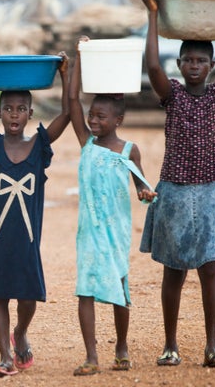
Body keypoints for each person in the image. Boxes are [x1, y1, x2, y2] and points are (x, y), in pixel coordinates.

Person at [136, 0, 215, 369]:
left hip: (209, 192)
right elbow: (152, 66)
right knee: (174, 271)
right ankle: (170, 345)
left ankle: (212, 346)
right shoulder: (170, 94)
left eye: (200, 60)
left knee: (211, 269)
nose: (193, 65)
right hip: (173, 191)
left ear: (211, 66)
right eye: (187, 59)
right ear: (179, 65)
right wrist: (153, 13)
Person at [0, 52, 70, 378]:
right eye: (8, 109)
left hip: (28, 236)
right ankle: (5, 357)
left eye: (21, 109)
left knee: (28, 294)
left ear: (31, 113)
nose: (14, 114)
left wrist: (65, 72)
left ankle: (19, 333)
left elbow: (66, 113)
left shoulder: (40, 145)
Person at [68, 37, 158, 376]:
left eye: (101, 117)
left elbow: (141, 185)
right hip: (89, 231)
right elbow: (72, 100)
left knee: (120, 286)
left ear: (118, 119)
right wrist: (78, 57)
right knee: (85, 291)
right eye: (92, 115)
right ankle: (92, 355)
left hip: (116, 231)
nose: (93, 120)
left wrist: (146, 193)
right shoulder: (86, 143)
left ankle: (121, 346)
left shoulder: (128, 150)